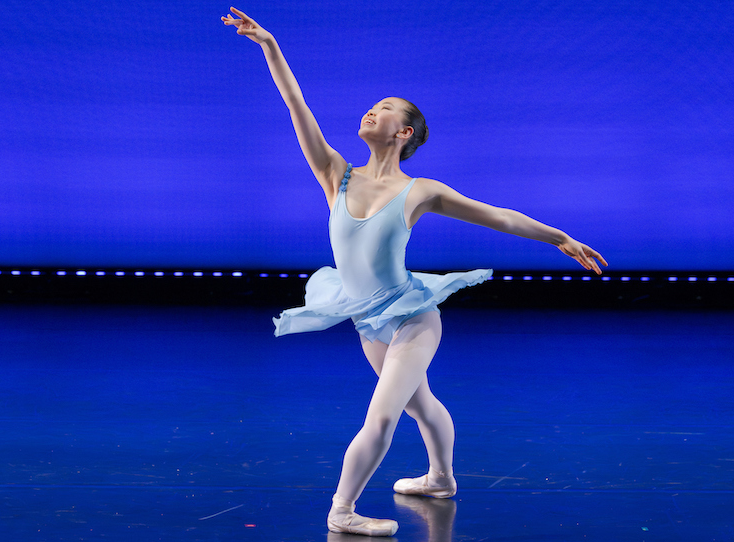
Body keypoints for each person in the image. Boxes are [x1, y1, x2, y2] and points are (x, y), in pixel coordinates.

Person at [222, 7, 607, 537]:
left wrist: (559, 237)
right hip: (366, 318)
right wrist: (268, 45)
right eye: (370, 106)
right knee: (421, 404)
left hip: (411, 317)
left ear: (403, 132)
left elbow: (496, 216)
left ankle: (341, 511)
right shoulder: (336, 175)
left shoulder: (419, 190)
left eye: (383, 109)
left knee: (381, 415)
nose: (369, 112)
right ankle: (441, 479)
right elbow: (295, 104)